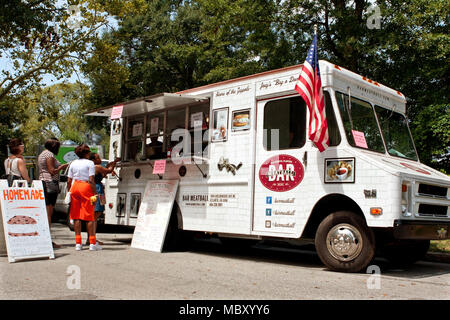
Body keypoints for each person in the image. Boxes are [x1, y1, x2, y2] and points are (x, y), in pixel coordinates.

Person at [67, 144, 101, 251]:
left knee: (76, 216)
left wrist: (69, 191)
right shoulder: (90, 163)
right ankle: (92, 243)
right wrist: (95, 194)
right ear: (87, 153)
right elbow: (91, 180)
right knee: (89, 216)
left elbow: (69, 180)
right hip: (86, 187)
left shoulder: (73, 163)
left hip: (75, 187)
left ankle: (78, 243)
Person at [38, 138, 69, 249]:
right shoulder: (49, 155)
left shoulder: (43, 154)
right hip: (49, 184)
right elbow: (52, 171)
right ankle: (47, 240)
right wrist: (62, 167)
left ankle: (45, 238)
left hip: (44, 182)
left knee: (47, 213)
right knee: (48, 213)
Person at [87, 153, 120, 245]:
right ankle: (92, 238)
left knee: (95, 213)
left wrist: (112, 163)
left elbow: (105, 170)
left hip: (96, 188)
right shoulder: (96, 167)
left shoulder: (92, 167)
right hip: (97, 189)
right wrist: (115, 163)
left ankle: (90, 237)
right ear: (93, 160)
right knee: (96, 213)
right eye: (98, 158)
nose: (100, 159)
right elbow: (108, 170)